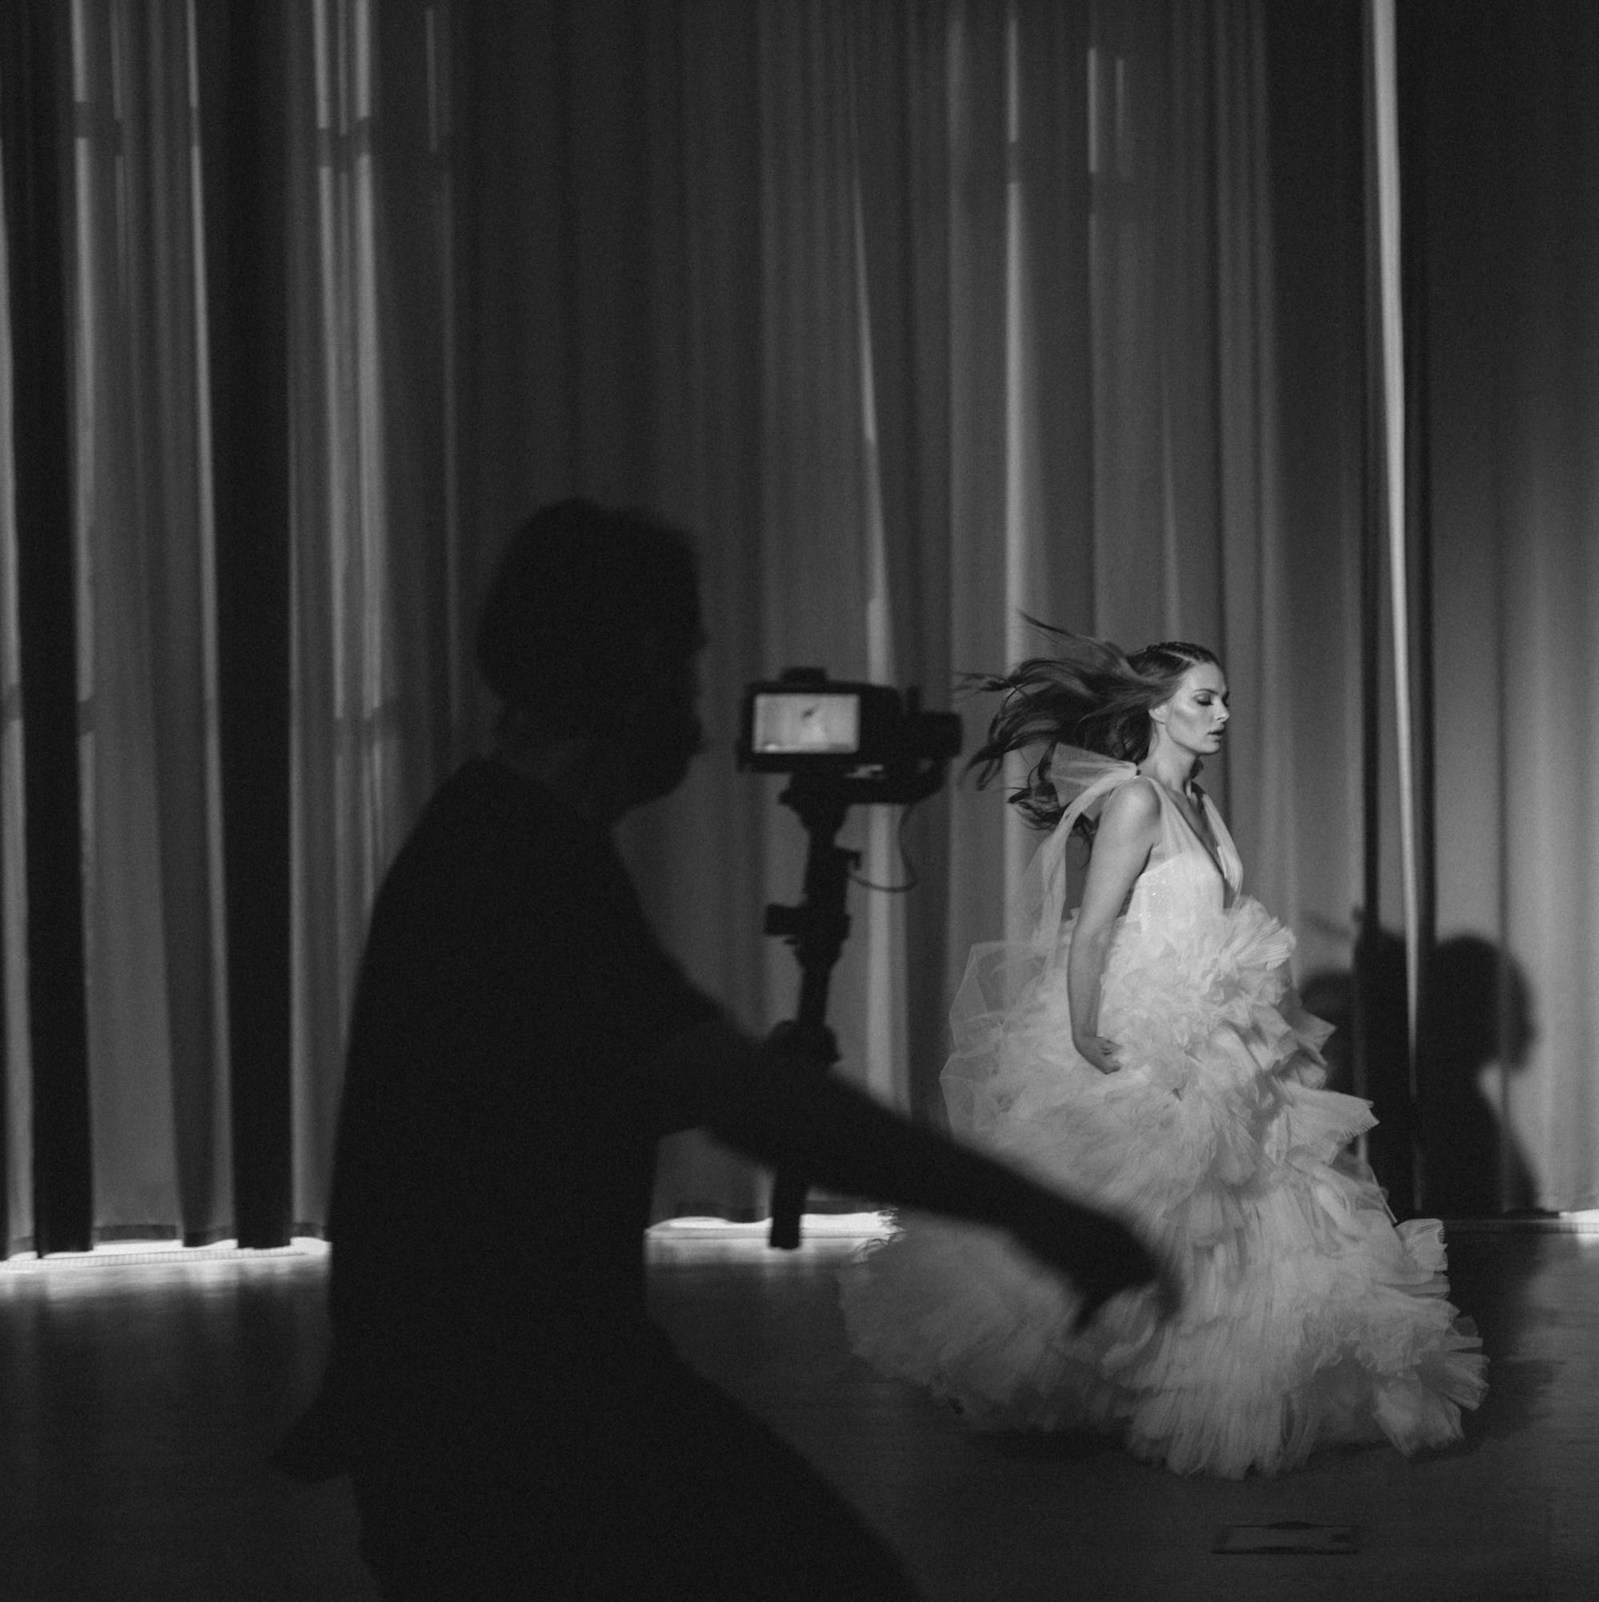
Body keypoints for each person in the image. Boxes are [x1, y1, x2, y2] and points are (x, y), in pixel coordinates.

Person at [275, 503, 1174, 1601]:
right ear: (642, 665)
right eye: (692, 661)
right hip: (518, 1411)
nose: (704, 706)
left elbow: (506, 1110)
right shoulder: (525, 864)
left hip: (488, 1401)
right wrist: (1044, 1213)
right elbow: (755, 1103)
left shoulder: (486, 834)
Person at [840, 627, 1487, 1478]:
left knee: (1244, 1209)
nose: (1222, 715)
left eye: (1223, 699)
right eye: (1203, 700)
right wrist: (1080, 1029)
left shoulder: (1199, 803)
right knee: (1153, 1199)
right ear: (1154, 708)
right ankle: (1130, 1381)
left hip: (1222, 1033)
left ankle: (1198, 1378)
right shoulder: (1137, 800)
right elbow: (1094, 924)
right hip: (1146, 1027)